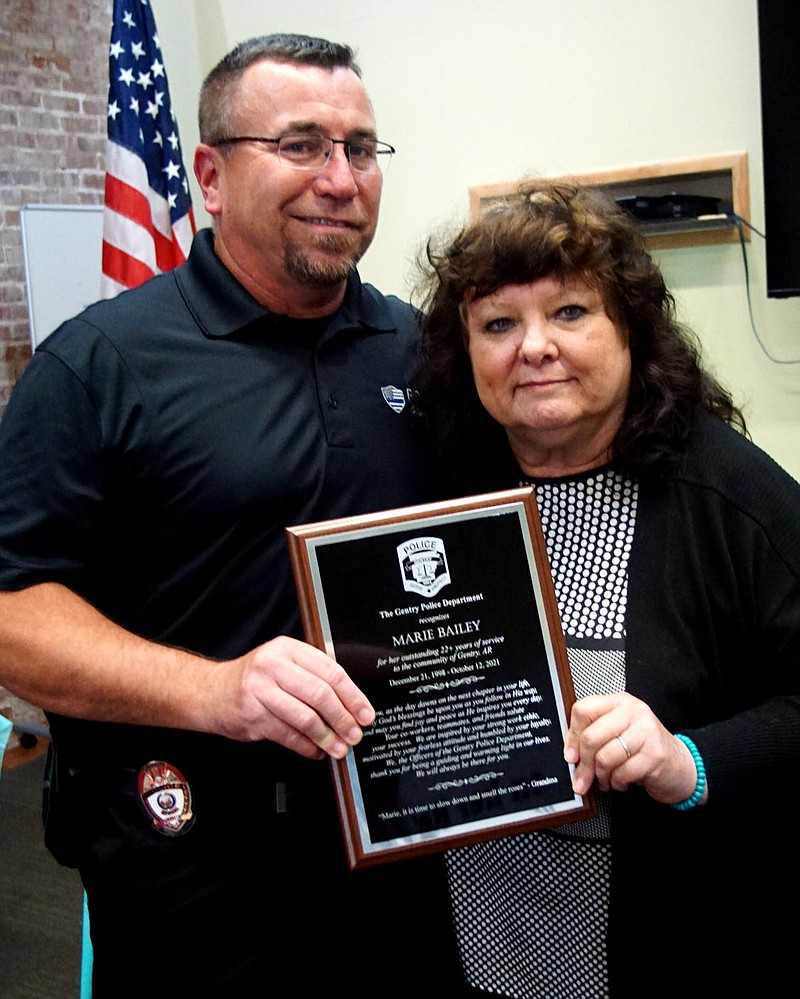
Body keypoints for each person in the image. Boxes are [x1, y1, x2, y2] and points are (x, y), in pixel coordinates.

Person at [0, 34, 462, 998]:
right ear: (209, 176)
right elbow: (13, 616)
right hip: (196, 872)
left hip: (408, 841)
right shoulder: (99, 366)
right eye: (300, 144)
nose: (340, 178)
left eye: (361, 148)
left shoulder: (422, 351)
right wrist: (216, 691)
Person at [416, 181, 800, 997]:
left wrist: (686, 759)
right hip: (484, 937)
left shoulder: (732, 495)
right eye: (498, 324)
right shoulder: (438, 494)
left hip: (677, 942)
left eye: (570, 313)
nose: (534, 347)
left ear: (632, 331)